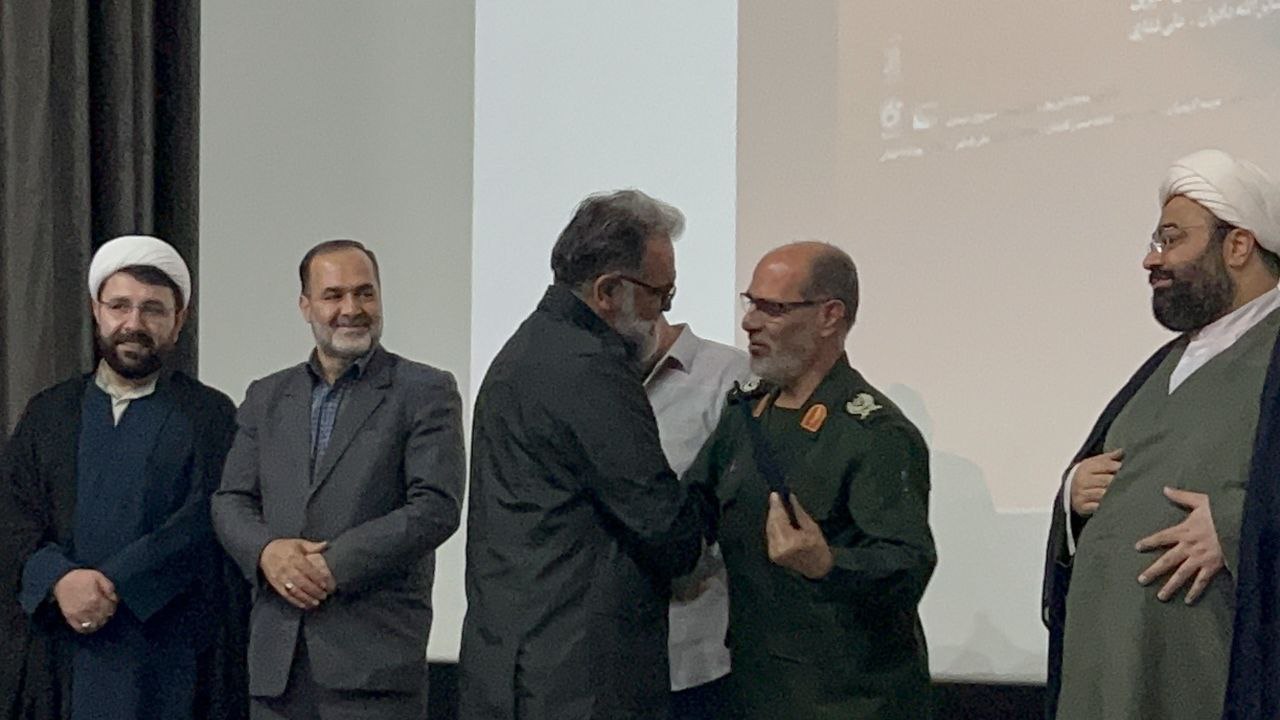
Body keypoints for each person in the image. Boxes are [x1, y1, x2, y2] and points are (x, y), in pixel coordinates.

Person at [1042, 149, 1280, 720]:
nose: (1152, 259)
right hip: (1109, 672)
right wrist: (1073, 494)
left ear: (1238, 245)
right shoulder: (1165, 364)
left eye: (1172, 239)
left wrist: (1237, 525)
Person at [459, 189, 705, 720]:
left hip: (515, 665)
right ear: (608, 291)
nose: (665, 311)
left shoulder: (527, 348)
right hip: (580, 681)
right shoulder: (591, 369)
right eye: (660, 293)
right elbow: (664, 526)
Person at [211, 239, 465, 719]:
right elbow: (230, 500)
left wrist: (333, 566)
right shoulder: (267, 395)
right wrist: (268, 553)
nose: (352, 309)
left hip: (375, 668)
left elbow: (436, 506)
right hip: (277, 668)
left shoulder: (426, 390)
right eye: (333, 295)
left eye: (365, 293)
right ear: (305, 305)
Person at [684, 241, 935, 719]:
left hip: (849, 701)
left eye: (773, 309)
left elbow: (908, 565)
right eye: (751, 303)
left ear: (829, 316)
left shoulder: (875, 434)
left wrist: (827, 563)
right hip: (757, 692)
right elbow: (691, 511)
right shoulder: (745, 414)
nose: (750, 322)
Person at [0, 235, 247, 720]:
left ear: (178, 320)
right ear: (97, 311)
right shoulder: (49, 412)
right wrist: (59, 579)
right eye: (120, 306)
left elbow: (205, 520)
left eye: (153, 309)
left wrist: (114, 584)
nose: (134, 324)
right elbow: (13, 512)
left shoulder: (209, 415)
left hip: (163, 648)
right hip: (57, 647)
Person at [642, 313, 750, 720]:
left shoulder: (732, 375)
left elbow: (746, 510)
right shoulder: (591, 378)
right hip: (601, 661)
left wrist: (684, 557)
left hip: (696, 657)